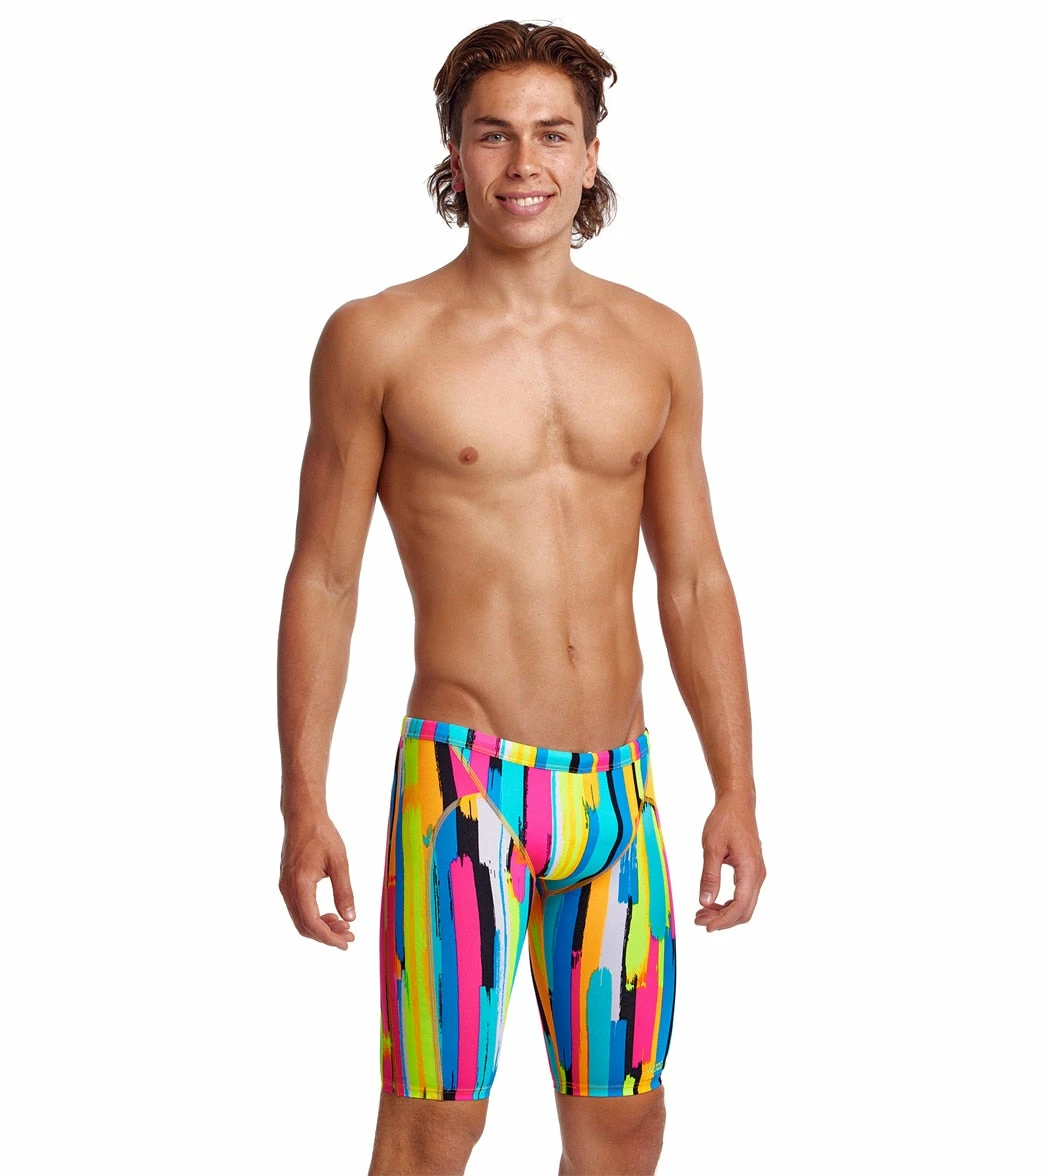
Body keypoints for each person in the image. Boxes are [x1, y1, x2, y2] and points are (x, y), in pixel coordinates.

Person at [277, 18, 766, 1176]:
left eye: (553, 134)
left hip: (618, 798)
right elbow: (326, 577)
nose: (524, 162)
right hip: (464, 790)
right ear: (454, 153)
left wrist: (737, 788)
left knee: (626, 1123)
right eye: (494, 134)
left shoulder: (657, 341)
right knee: (435, 1124)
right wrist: (304, 802)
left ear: (593, 155)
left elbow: (694, 576)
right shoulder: (378, 339)